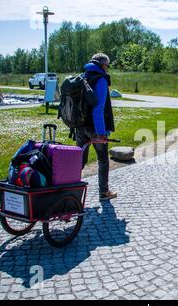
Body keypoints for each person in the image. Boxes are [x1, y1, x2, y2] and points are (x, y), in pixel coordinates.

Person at [76, 53, 117, 201]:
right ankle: (104, 192)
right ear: (103, 65)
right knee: (103, 159)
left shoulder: (83, 77)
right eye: (107, 65)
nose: (108, 69)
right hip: (94, 128)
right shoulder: (100, 80)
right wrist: (100, 132)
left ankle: (69, 192)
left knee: (79, 161)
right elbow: (98, 109)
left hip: (80, 125)